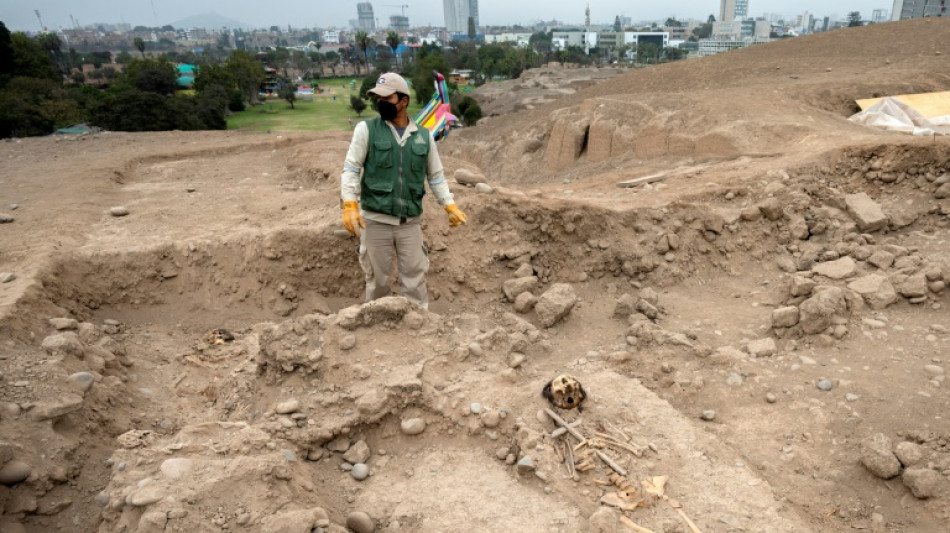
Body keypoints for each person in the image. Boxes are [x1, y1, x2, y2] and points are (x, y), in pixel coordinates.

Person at [340, 72, 467, 310]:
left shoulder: (424, 137)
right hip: (375, 222)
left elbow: (436, 177)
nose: (381, 103)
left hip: (410, 223)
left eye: (387, 98)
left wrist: (449, 205)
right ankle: (376, 323)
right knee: (377, 282)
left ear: (404, 100)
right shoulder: (366, 130)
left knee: (415, 281)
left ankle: (418, 324)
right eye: (378, 98)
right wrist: (350, 203)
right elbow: (351, 169)